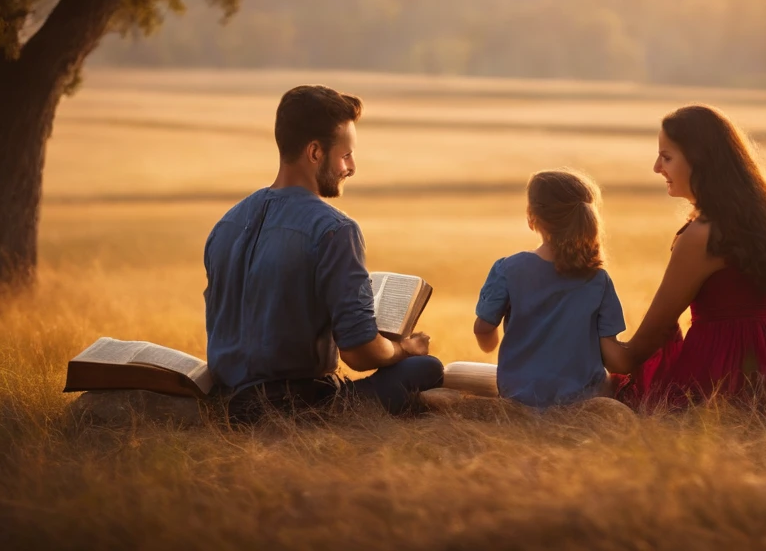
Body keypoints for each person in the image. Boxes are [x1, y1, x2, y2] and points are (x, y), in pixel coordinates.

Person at [604, 105, 766, 415]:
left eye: (666, 157)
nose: (656, 167)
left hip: (727, 370)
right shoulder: (759, 219)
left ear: (700, 161)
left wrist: (588, 321)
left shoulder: (701, 236)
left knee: (617, 398)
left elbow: (637, 350)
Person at [204, 85, 443, 422]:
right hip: (297, 406)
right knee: (426, 368)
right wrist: (404, 348)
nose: (352, 166)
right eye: (346, 155)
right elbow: (359, 353)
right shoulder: (334, 229)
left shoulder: (225, 224)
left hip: (227, 401)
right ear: (315, 152)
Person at [472, 170, 628, 408]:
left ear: (531, 216)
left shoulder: (508, 269)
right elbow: (612, 355)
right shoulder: (598, 279)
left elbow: (484, 329)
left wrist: (489, 342)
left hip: (520, 395)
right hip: (583, 397)